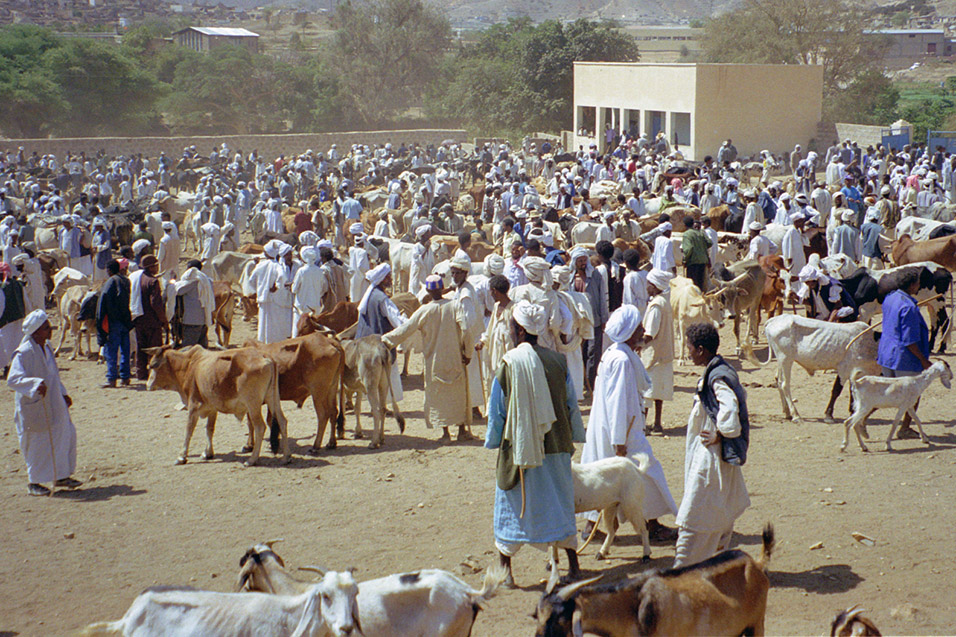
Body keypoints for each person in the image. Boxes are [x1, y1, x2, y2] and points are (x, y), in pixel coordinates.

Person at [485, 300, 585, 587]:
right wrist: (572, 436)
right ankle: (574, 567)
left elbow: (497, 411)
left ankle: (506, 572)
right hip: (556, 448)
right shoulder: (558, 362)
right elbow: (570, 405)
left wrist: (495, 442)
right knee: (559, 504)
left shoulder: (508, 363)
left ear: (517, 329)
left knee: (512, 506)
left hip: (518, 450)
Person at [580, 305, 678, 541]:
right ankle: (651, 525)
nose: (643, 330)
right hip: (623, 432)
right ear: (629, 331)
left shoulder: (617, 354)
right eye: (639, 327)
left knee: (604, 478)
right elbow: (618, 403)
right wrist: (619, 443)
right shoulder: (622, 360)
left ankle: (592, 525)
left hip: (616, 429)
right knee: (647, 472)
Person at [674, 322, 750, 567]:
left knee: (695, 512)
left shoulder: (717, 377)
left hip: (711, 456)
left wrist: (721, 432)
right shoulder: (717, 370)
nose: (687, 352)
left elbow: (730, 409)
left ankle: (682, 568)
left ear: (700, 349)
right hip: (712, 453)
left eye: (689, 348)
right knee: (717, 509)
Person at [383, 275, 471, 442]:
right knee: (458, 393)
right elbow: (466, 330)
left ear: (429, 291)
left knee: (438, 395)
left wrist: (385, 340)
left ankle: (445, 433)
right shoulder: (455, 305)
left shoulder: (424, 310)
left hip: (434, 361)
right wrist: (468, 353)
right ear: (442, 288)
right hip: (455, 357)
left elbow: (405, 329)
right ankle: (461, 430)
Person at [7, 310, 82, 496]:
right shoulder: (23, 353)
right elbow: (13, 379)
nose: (50, 331)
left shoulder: (47, 347)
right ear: (35, 331)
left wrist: (63, 394)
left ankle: (61, 475)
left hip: (54, 401)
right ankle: (34, 482)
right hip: (34, 406)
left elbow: (54, 375)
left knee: (64, 434)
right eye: (46, 328)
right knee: (37, 443)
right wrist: (33, 385)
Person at [877, 269, 931, 440]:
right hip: (904, 358)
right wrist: (923, 361)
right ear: (912, 284)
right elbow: (909, 341)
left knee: (884, 392)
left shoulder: (890, 298)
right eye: (917, 282)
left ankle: (862, 417)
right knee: (914, 393)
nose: (919, 285)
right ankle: (905, 428)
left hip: (887, 354)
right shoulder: (908, 307)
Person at [356, 263, 406, 402]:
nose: (390, 279)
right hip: (379, 344)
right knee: (386, 375)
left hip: (366, 343)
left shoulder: (370, 294)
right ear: (383, 279)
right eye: (388, 277)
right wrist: (408, 322)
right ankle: (384, 404)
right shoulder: (382, 299)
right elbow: (396, 319)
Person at [450, 255, 484, 421]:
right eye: (453, 273)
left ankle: (473, 407)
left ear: (464, 273)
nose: (454, 276)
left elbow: (468, 323)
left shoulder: (466, 294)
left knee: (470, 375)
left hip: (469, 339)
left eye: (457, 273)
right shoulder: (461, 289)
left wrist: (465, 345)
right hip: (466, 337)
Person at [642, 268, 675, 435]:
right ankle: (657, 423)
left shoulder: (656, 305)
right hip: (665, 353)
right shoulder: (665, 302)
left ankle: (643, 424)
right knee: (658, 392)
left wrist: (638, 344)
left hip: (653, 355)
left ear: (654, 286)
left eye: (648, 284)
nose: (646, 286)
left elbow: (650, 333)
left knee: (647, 391)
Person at [129, 255, 166, 381]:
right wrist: (164, 320)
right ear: (151, 267)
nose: (157, 267)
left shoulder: (138, 279)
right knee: (155, 349)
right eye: (156, 265)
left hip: (139, 319)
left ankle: (141, 373)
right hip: (152, 321)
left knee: (141, 348)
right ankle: (156, 375)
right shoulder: (153, 281)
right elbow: (156, 303)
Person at [476, 274, 513, 398]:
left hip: (508, 356)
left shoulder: (513, 310)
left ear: (495, 291)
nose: (490, 294)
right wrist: (482, 341)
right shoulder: (496, 307)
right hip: (494, 355)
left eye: (491, 291)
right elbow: (491, 328)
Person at [171, 259, 215, 348]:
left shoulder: (192, 282)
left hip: (191, 321)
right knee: (202, 347)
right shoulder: (207, 281)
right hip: (204, 319)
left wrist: (174, 282)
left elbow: (178, 291)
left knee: (188, 348)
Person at [291, 246, 327, 336]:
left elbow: (294, 289)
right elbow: (324, 288)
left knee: (298, 328)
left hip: (301, 306)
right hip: (315, 306)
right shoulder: (320, 271)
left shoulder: (301, 271)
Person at [0, 261, 28, 372]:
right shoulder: (18, 284)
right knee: (16, 343)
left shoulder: (2, 287)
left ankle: (8, 367)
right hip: (18, 317)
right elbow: (26, 301)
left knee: (5, 345)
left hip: (5, 321)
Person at [680, 216, 711, 291]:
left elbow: (688, 249)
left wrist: (685, 260)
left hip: (693, 263)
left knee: (692, 285)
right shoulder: (701, 232)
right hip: (703, 261)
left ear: (684, 225)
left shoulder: (687, 234)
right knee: (701, 284)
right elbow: (709, 243)